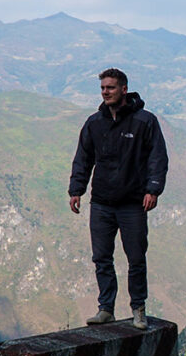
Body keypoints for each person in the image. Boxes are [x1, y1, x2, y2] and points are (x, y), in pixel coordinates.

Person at [68, 67, 168, 329]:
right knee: (101, 257)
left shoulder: (144, 121)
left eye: (110, 88)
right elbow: (83, 158)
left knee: (136, 258)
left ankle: (138, 309)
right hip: (101, 202)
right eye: (102, 88)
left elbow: (157, 158)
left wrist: (153, 189)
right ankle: (106, 309)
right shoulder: (95, 123)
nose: (105, 92)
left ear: (124, 89)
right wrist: (76, 189)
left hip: (133, 203)